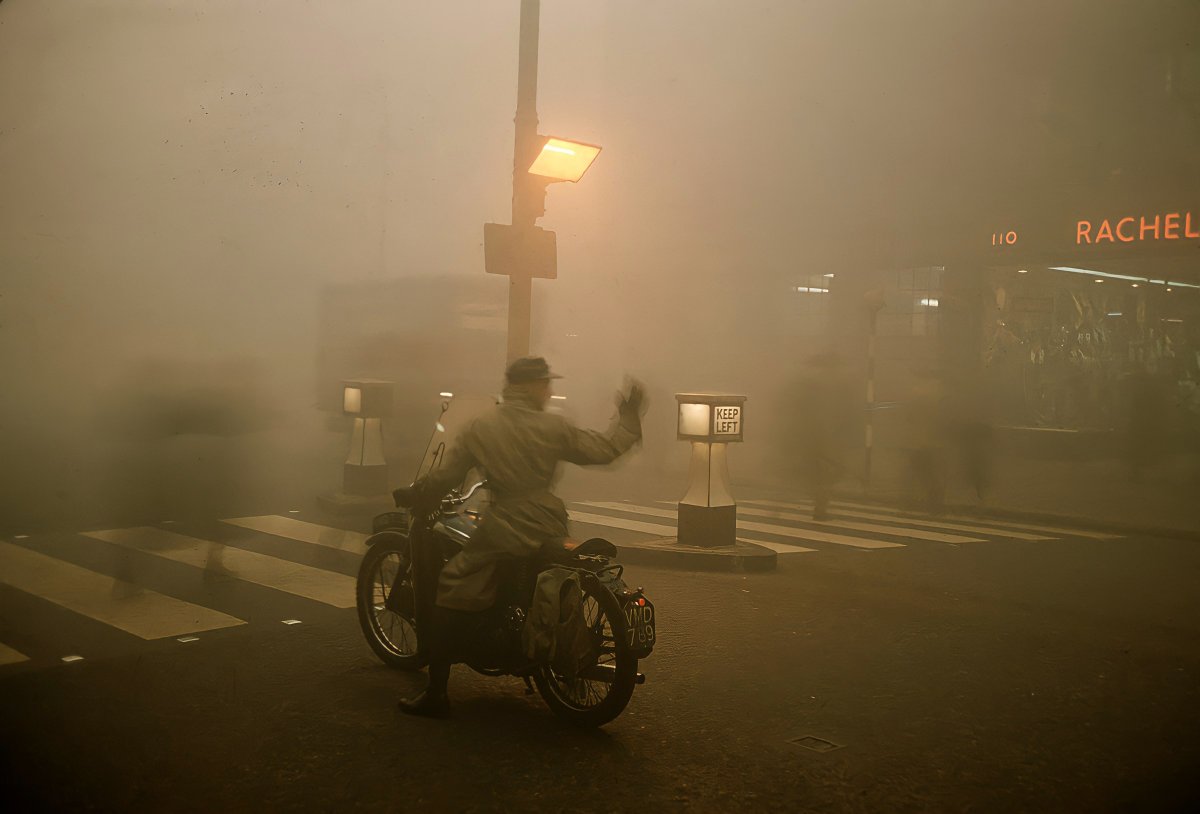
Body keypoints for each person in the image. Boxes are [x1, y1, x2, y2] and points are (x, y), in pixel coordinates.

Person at [399, 356, 646, 717]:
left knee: (452, 582)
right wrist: (628, 416)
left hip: (506, 523)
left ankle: (437, 694)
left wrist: (417, 492)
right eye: (545, 383)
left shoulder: (481, 427)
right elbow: (604, 450)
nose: (549, 390)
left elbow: (447, 476)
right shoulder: (554, 427)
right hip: (550, 522)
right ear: (529, 386)